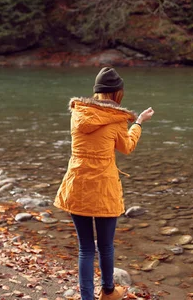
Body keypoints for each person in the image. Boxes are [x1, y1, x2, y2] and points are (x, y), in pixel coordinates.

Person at [54, 67, 154, 300]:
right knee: (106, 246)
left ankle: (87, 297)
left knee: (85, 248)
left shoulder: (78, 113)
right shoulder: (118, 119)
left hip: (76, 184)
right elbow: (127, 147)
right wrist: (138, 122)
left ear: (97, 91)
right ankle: (108, 291)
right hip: (103, 189)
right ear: (117, 93)